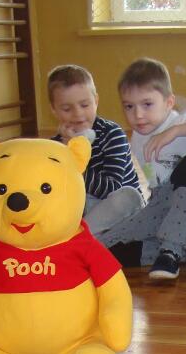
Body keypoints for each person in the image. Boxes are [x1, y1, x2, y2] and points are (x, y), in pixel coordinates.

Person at [95, 57, 186, 280]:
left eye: (147, 104)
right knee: (103, 250)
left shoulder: (182, 122)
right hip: (165, 209)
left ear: (169, 102)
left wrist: (177, 131)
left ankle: (171, 251)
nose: (138, 115)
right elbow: (154, 185)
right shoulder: (138, 138)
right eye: (129, 106)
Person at [47, 64, 143, 236]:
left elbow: (111, 189)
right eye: (67, 109)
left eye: (84, 105)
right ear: (54, 109)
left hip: (119, 214)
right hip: (85, 215)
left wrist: (74, 161)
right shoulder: (54, 147)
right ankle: (85, 240)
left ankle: (79, 239)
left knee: (129, 197)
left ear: (96, 101)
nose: (78, 114)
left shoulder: (112, 134)